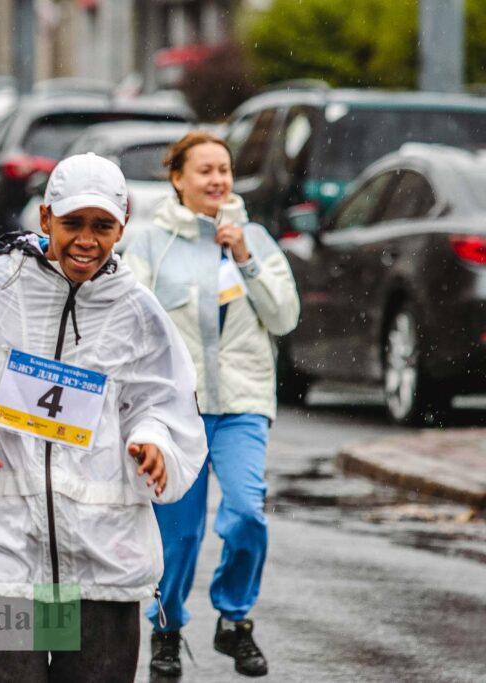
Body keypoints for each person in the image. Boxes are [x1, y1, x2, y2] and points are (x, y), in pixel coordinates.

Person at [0, 152, 208, 681]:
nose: (86, 240)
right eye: (73, 223)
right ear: (45, 219)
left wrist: (153, 441)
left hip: (104, 556)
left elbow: (163, 400)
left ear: (122, 227)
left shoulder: (136, 309)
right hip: (3, 551)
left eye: (102, 226)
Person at [124, 131, 300, 678]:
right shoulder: (151, 243)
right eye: (204, 171)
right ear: (177, 178)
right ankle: (167, 628)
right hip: (178, 410)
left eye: (223, 170)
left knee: (246, 512)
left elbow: (285, 317)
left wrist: (246, 257)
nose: (217, 180)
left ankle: (234, 620)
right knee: (178, 535)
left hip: (243, 401)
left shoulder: (256, 239)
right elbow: (132, 321)